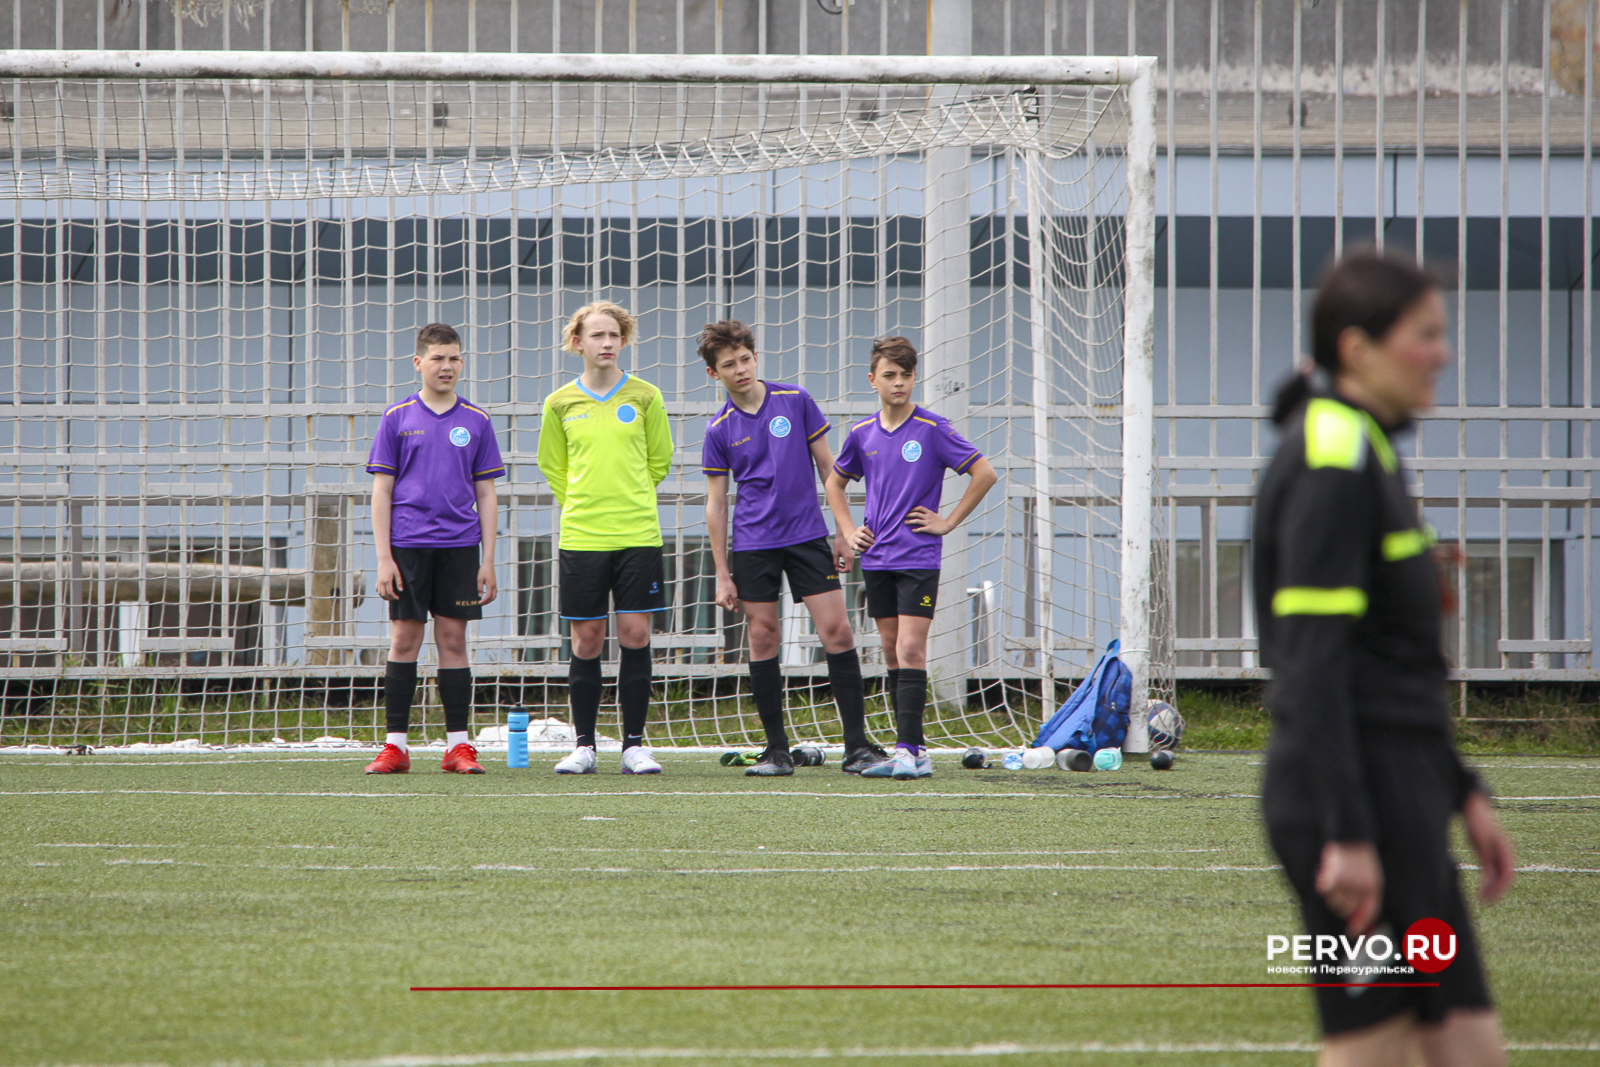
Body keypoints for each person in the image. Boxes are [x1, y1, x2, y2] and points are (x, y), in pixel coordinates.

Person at [1254, 250, 1516, 1067]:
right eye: (1426, 334)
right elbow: (1313, 662)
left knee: (1467, 1046)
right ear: (1359, 347)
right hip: (1350, 803)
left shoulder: (1366, 444)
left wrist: (1460, 789)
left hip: (1400, 797)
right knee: (1373, 1050)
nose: (1443, 352)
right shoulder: (1333, 454)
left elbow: (1397, 662)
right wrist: (1349, 831)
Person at [698, 320, 891, 777]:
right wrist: (723, 572)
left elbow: (831, 470)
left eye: (746, 359)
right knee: (763, 637)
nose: (741, 369)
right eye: (729, 365)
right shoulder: (718, 429)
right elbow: (716, 503)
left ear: (754, 357)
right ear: (714, 374)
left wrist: (842, 532)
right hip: (754, 546)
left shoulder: (795, 400)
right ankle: (776, 751)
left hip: (807, 538)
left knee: (838, 633)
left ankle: (857, 747)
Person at [823, 336, 998, 781]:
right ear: (873, 380)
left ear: (914, 377)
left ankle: (904, 751)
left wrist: (948, 521)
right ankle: (915, 750)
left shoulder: (933, 429)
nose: (898, 383)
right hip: (877, 558)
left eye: (905, 375)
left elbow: (985, 472)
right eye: (889, 375)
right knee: (889, 648)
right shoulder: (862, 434)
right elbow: (835, 484)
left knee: (910, 646)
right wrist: (848, 530)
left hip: (919, 556)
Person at [538, 300, 674, 775]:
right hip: (582, 536)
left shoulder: (645, 396)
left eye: (614, 335)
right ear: (578, 343)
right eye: (597, 335)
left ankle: (634, 745)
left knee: (635, 634)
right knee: (587, 639)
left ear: (624, 340)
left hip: (637, 532)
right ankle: (584, 746)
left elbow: (659, 461)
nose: (607, 343)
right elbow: (554, 468)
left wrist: (627, 495)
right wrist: (584, 500)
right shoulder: (559, 403)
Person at [363, 322, 503, 775]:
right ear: (419, 362)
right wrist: (384, 558)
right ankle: (395, 747)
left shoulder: (477, 420)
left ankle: (459, 747)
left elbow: (486, 493)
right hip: (408, 546)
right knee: (404, 638)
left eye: (454, 358)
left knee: (453, 641)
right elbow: (382, 492)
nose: (447, 366)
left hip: (460, 548)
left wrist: (488, 560)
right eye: (438, 358)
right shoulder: (396, 417)